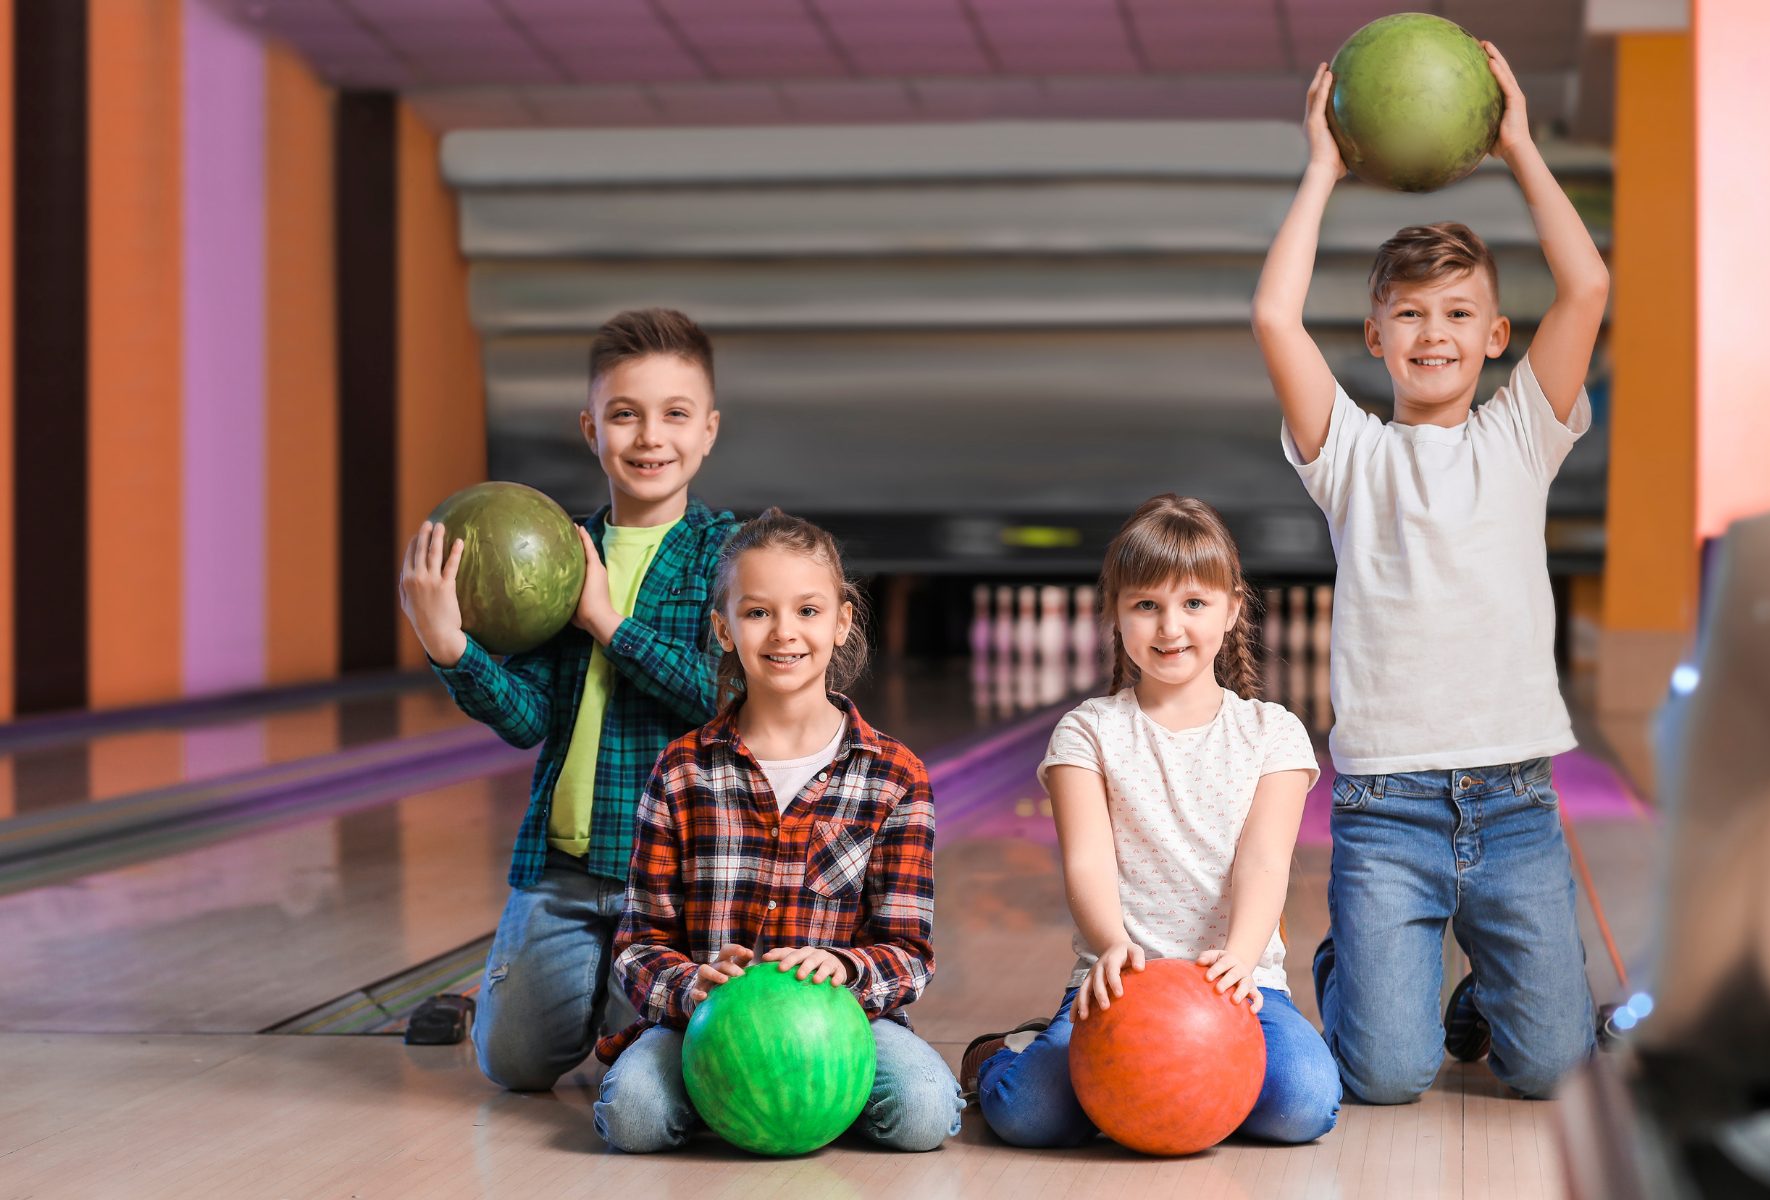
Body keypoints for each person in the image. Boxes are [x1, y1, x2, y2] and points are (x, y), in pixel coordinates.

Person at [1249, 45, 1610, 1104]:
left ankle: (1476, 990)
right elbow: (1274, 318)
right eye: (1408, 314)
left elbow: (1587, 284)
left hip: (1514, 805)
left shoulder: (1522, 435)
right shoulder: (1349, 455)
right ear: (1374, 337)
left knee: (1550, 1068)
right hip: (1383, 810)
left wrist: (1520, 148)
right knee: (1386, 1077)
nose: (1434, 332)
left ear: (1498, 337)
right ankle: (1356, 967)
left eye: (1458, 313)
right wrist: (1321, 167)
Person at [398, 308, 738, 1092]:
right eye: (626, 415)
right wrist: (451, 645)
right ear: (591, 428)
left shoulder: (729, 557)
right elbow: (531, 723)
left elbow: (724, 700)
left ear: (709, 430)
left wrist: (608, 623)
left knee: (647, 1065)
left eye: (675, 415)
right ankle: (503, 998)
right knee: (513, 1067)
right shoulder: (553, 555)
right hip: (561, 868)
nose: (651, 436)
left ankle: (595, 999)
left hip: (670, 879)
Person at [962, 495, 1340, 1147]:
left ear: (1232, 608)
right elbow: (1087, 861)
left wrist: (1241, 960)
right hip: (1117, 978)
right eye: (1147, 605)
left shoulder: (1271, 733)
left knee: (1303, 1108)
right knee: (1029, 1116)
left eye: (1194, 602)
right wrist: (1112, 944)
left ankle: (1183, 1089)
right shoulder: (1089, 732)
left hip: (1239, 982)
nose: (1171, 626)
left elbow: (1263, 861)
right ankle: (1002, 1052)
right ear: (1116, 615)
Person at [594, 511, 963, 1153]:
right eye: (758, 612)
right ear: (724, 628)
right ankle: (734, 1092)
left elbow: (909, 952)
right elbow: (637, 942)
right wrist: (691, 984)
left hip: (842, 1022)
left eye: (808, 611)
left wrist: (842, 968)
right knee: (632, 1117)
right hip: (704, 1022)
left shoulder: (895, 776)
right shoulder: (681, 770)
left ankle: (779, 1101)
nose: (784, 632)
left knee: (926, 1113)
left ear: (842, 621)